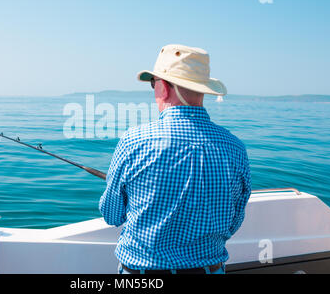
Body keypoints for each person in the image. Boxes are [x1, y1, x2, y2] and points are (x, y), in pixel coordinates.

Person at [99, 44, 252, 274]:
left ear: (165, 87)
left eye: (154, 83)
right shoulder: (235, 148)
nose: (154, 90)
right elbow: (233, 222)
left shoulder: (134, 141)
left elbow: (112, 215)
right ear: (202, 90)